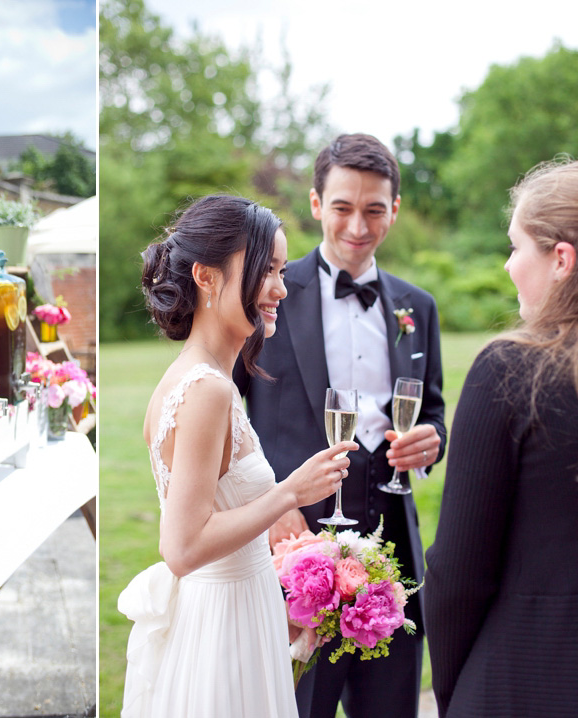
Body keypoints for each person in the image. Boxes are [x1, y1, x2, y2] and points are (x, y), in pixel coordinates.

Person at [118, 194, 357, 717]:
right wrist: (289, 493)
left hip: (239, 611)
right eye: (264, 270)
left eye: (281, 270)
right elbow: (181, 548)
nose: (279, 288)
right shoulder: (206, 389)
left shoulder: (201, 377)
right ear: (206, 277)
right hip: (222, 628)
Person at [234, 134, 446, 718]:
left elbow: (431, 409)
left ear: (395, 209)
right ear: (315, 204)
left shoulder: (417, 307)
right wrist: (273, 504)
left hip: (394, 550)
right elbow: (225, 415)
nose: (358, 225)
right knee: (300, 707)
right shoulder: (267, 296)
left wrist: (432, 441)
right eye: (343, 207)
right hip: (297, 544)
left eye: (375, 209)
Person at [425, 159, 578, 717]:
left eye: (516, 247)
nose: (509, 265)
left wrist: (458, 693)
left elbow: (458, 575)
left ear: (560, 258)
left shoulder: (509, 371)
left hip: (521, 681)